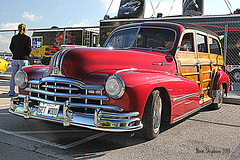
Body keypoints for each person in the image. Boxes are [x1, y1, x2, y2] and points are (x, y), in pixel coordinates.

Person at [9, 23, 32, 96]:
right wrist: (26, 55)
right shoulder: (27, 38)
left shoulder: (14, 37)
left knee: (13, 76)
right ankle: (21, 92)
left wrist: (15, 52)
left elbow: (11, 47)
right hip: (23, 58)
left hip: (15, 58)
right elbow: (29, 49)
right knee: (23, 77)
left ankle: (11, 91)